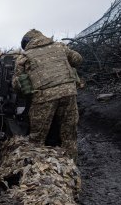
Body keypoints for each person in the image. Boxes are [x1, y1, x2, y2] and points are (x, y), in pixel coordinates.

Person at [13, 29, 83, 160]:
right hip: (68, 93)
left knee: (37, 137)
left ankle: (35, 169)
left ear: (27, 43)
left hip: (44, 98)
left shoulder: (24, 57)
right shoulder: (60, 46)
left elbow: (17, 85)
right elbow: (78, 60)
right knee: (69, 135)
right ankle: (71, 167)